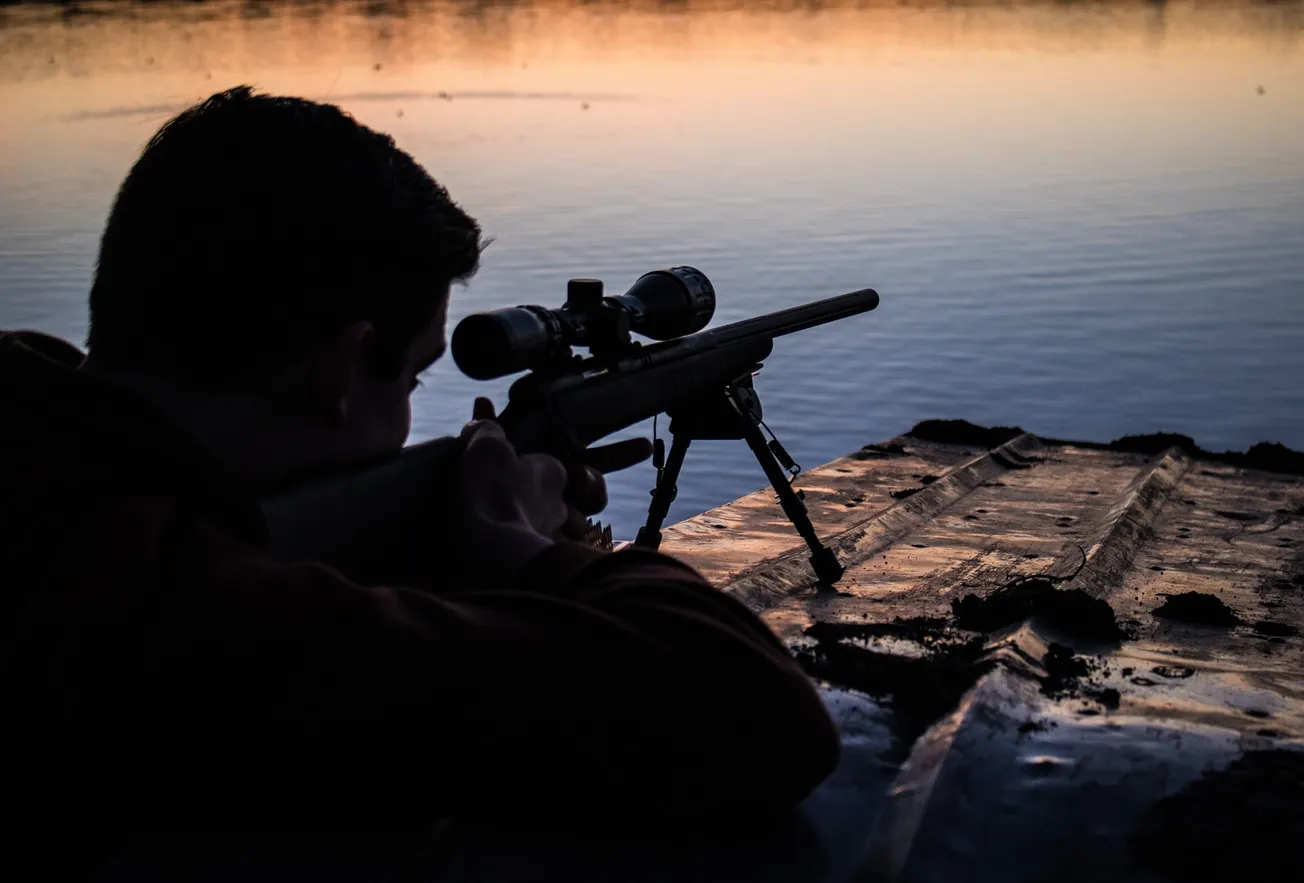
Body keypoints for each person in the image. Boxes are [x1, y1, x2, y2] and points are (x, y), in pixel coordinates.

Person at [0, 87, 840, 878]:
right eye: (411, 379)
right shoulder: (174, 612)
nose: (409, 412)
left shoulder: (45, 454)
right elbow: (761, 719)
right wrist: (523, 547)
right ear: (339, 371)